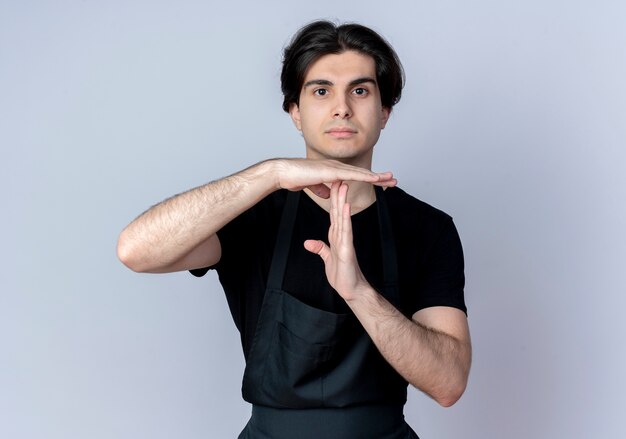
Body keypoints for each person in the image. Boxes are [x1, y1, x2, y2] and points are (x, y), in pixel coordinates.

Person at [117, 20, 471, 439]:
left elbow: (448, 384)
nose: (342, 107)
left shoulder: (428, 228)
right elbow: (135, 251)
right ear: (296, 113)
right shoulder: (252, 214)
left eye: (360, 90)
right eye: (321, 91)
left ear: (384, 112)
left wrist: (358, 292)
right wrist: (271, 173)